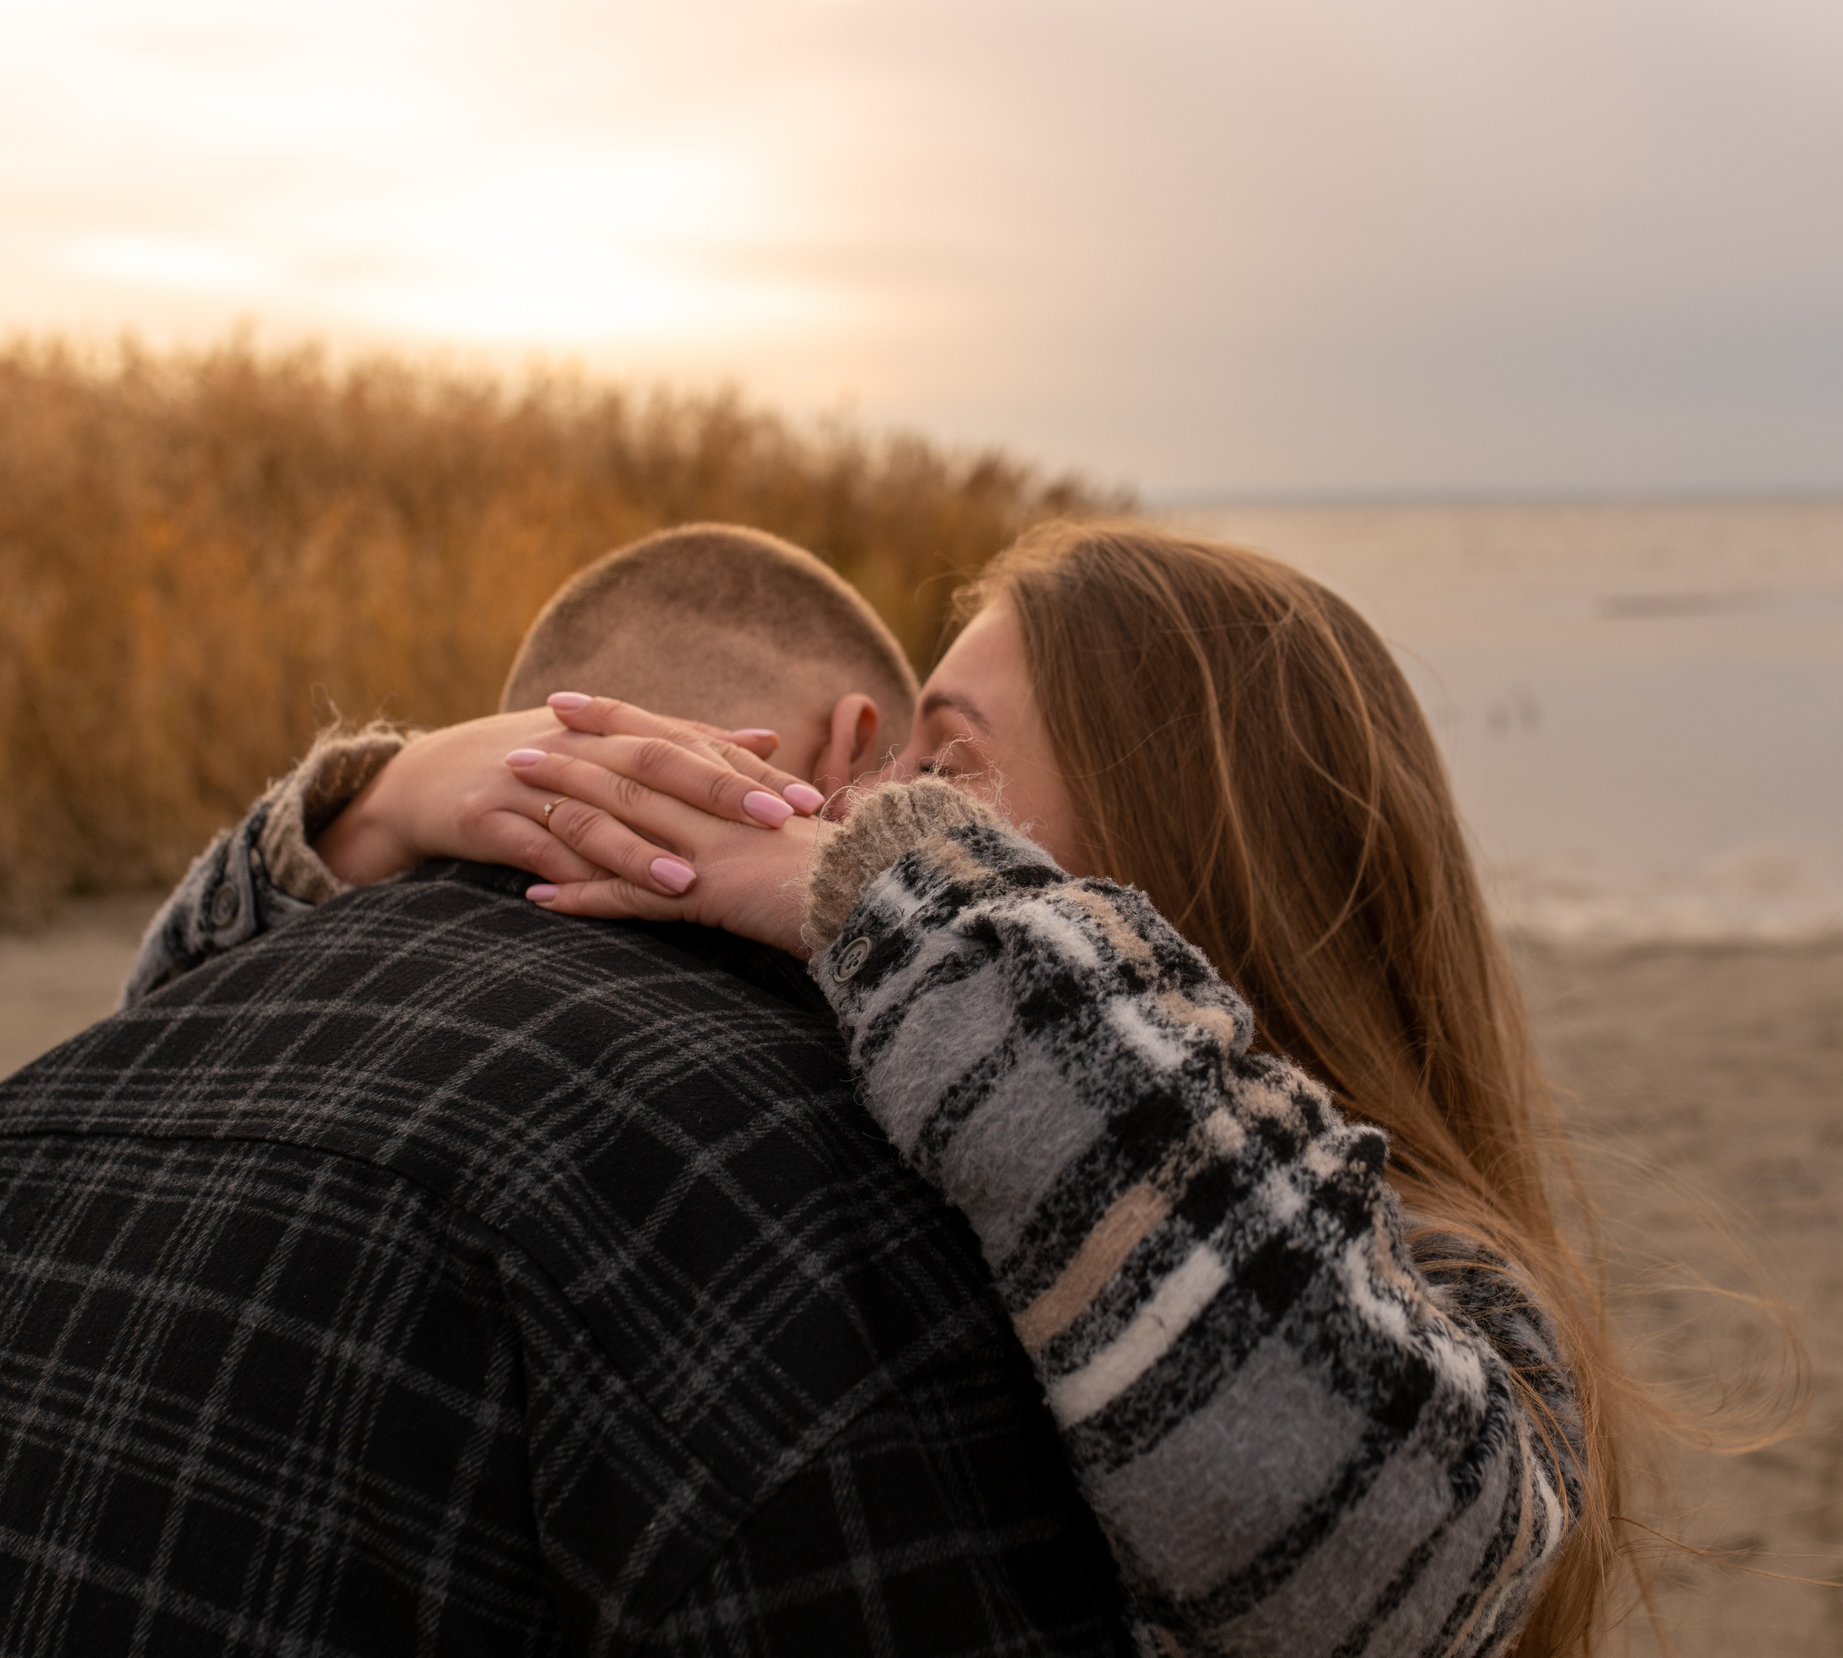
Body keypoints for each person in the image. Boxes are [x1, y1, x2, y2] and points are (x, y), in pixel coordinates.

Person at [95, 522, 1643, 1657]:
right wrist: (372, 818)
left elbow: (1376, 1566)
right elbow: (190, 1134)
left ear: (1199, 837)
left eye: (943, 770)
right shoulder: (916, 1132)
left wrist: (882, 882)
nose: (871, 811)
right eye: (889, 776)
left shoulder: (1448, 1289)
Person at [0, 526, 1140, 1658]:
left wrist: (366, 804)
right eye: (921, 778)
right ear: (847, 753)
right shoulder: (814, 1175)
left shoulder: (0, 1132)